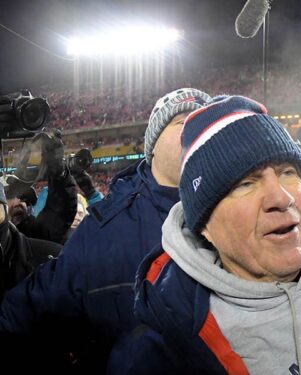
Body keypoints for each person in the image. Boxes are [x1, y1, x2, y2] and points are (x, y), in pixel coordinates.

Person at [127, 95, 301, 374]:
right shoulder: (171, 343)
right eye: (245, 183)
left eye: (288, 172)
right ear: (205, 226)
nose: (280, 197)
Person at [0, 88, 212, 372]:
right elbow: (25, 309)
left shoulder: (246, 214)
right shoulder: (104, 229)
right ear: (153, 143)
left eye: (208, 123)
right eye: (182, 121)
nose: (198, 130)